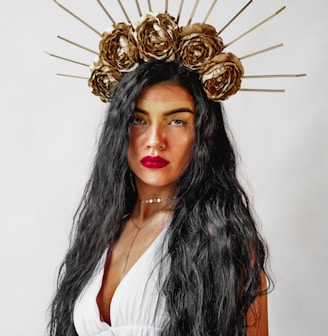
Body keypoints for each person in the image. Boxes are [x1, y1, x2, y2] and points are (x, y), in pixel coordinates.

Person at [48, 60, 271, 336]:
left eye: (176, 121)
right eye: (138, 119)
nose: (155, 139)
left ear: (203, 134)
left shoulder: (222, 241)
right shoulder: (99, 234)